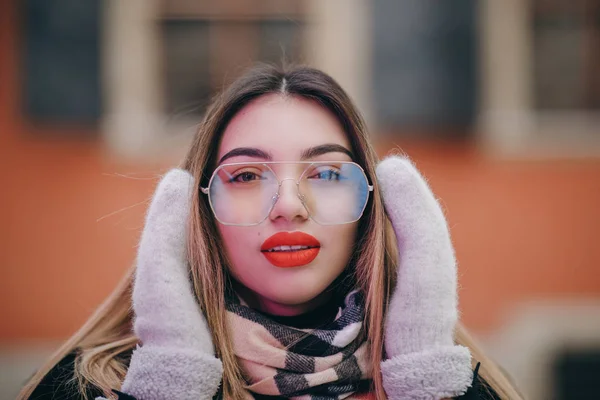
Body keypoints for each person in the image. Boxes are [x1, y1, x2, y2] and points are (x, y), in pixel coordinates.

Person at [20, 65, 522, 400]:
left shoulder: (460, 381)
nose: (287, 207)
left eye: (326, 173)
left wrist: (431, 383)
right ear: (198, 212)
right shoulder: (91, 388)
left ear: (374, 205)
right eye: (244, 176)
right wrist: (171, 383)